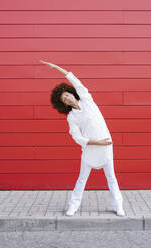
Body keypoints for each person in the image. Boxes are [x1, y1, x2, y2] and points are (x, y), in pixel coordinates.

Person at [40, 60, 125, 217]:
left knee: (111, 178)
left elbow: (75, 80)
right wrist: (95, 143)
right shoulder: (72, 117)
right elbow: (78, 138)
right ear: (64, 104)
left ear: (72, 93)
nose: (67, 98)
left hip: (106, 145)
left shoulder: (87, 100)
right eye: (64, 100)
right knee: (82, 179)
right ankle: (73, 205)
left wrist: (56, 68)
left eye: (67, 95)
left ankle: (118, 205)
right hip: (90, 149)